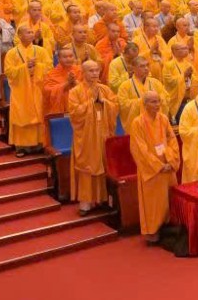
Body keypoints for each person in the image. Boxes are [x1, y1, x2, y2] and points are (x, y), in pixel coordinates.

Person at [67, 61, 118, 215]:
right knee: (87, 167)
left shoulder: (105, 89)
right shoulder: (75, 92)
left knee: (104, 163)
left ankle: (102, 199)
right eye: (91, 71)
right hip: (86, 137)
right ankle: (86, 203)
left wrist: (103, 102)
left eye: (96, 70)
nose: (95, 73)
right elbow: (74, 113)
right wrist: (91, 102)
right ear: (83, 73)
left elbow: (115, 106)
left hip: (103, 133)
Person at [129, 91, 180, 242]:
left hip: (168, 167)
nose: (157, 105)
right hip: (152, 170)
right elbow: (139, 149)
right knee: (153, 204)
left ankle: (169, 229)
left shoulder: (163, 119)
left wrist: (171, 161)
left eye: (158, 101)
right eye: (153, 102)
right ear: (144, 104)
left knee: (168, 199)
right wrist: (158, 166)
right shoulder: (137, 123)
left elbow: (172, 140)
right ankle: (152, 231)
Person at [4, 26, 51, 156]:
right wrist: (25, 67)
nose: (31, 34)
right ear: (20, 36)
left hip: (37, 88)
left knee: (39, 113)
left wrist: (36, 67)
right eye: (28, 32)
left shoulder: (41, 51)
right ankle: (21, 147)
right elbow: (8, 72)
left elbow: (49, 67)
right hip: (20, 90)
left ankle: (40, 143)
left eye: (32, 32)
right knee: (21, 116)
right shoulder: (12, 53)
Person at [116, 56, 167, 139]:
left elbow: (165, 98)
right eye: (142, 66)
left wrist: (154, 101)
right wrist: (142, 101)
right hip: (137, 125)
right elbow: (123, 104)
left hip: (155, 123)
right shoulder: (125, 86)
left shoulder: (155, 83)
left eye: (147, 65)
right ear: (133, 68)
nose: (146, 68)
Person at [43, 47, 82, 115]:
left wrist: (75, 82)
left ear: (74, 57)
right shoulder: (52, 74)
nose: (68, 59)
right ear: (58, 59)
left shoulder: (80, 71)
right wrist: (67, 84)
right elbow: (47, 91)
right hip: (60, 111)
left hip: (78, 108)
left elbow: (88, 88)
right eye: (65, 57)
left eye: (71, 56)